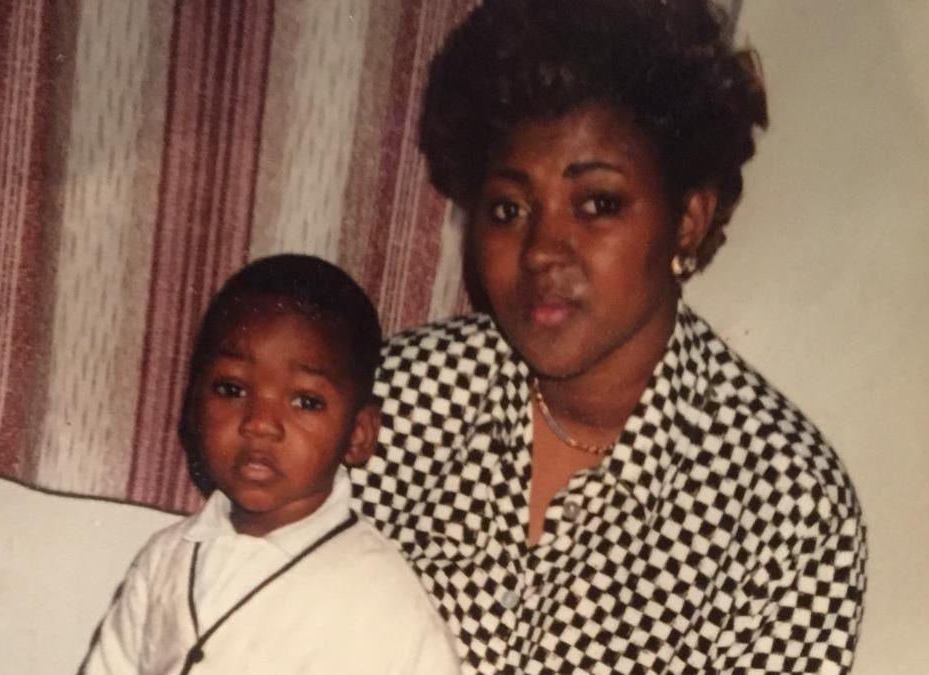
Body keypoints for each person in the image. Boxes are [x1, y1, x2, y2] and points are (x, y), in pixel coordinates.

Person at [349, 1, 868, 673]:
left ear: (687, 218)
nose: (541, 250)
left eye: (598, 203)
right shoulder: (392, 402)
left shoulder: (787, 508)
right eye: (509, 208)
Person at [79, 254, 461, 675]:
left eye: (305, 401)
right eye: (232, 388)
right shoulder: (164, 559)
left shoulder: (383, 601)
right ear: (193, 405)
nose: (260, 424)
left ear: (359, 434)